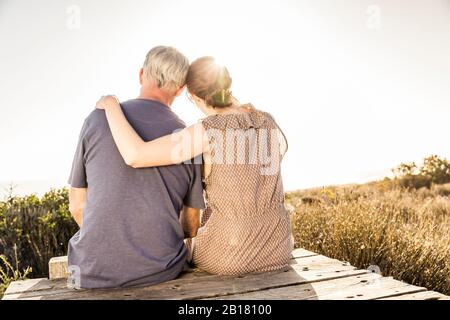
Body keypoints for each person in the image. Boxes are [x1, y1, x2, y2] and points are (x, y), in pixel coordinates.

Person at [96, 56, 294, 276]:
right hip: (280, 249)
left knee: (181, 250)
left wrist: (110, 105)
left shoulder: (207, 132)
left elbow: (135, 155)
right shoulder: (266, 120)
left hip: (231, 254)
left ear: (192, 96)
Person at [67, 46, 205, 289]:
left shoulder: (97, 119)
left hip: (90, 271)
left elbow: (77, 206)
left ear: (142, 74)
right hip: (160, 271)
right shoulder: (189, 139)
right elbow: (191, 225)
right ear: (181, 89)